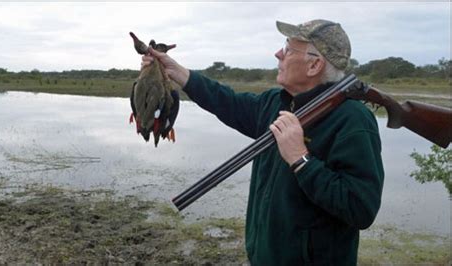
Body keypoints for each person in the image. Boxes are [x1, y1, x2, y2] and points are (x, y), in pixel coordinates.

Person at [141, 19, 384, 265]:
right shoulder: (276, 102)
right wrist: (176, 72)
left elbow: (360, 209)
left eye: (288, 49)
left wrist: (301, 159)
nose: (278, 53)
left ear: (314, 64)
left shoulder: (353, 120)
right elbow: (227, 102)